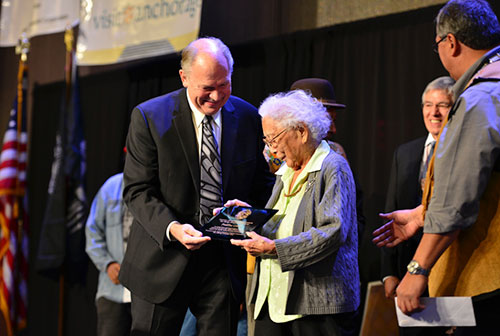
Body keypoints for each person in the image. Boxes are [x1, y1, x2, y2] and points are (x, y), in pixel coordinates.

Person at [119, 37, 275, 336]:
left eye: (224, 84)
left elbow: (262, 182)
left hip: (222, 263)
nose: (217, 96)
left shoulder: (247, 117)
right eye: (207, 87)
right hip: (161, 259)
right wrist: (173, 228)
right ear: (184, 77)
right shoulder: (150, 117)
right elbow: (137, 191)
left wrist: (248, 212)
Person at [373, 1, 500, 333]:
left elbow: (458, 197)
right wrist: (419, 215)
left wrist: (417, 269)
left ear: (451, 43)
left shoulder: (479, 99)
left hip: (487, 282)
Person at [229, 89, 360, 335]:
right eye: (267, 141)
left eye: (274, 139)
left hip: (315, 305)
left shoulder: (332, 166)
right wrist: (248, 215)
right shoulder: (286, 171)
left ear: (301, 131)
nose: (272, 150)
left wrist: (275, 249)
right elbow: (279, 224)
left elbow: (333, 231)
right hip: (272, 299)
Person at [380, 76, 454, 336]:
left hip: (451, 270)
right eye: (428, 105)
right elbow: (392, 213)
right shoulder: (405, 153)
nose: (434, 112)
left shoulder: (462, 153)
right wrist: (389, 272)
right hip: (407, 275)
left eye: (443, 105)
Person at [85, 172, 132, 336]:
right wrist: (107, 264)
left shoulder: (158, 185)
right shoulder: (111, 187)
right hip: (112, 291)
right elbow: (92, 232)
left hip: (146, 294)